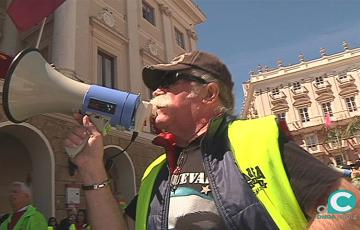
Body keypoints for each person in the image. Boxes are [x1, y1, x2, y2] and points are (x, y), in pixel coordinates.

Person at [65, 51, 360, 229]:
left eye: (168, 83)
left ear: (209, 93)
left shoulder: (255, 140)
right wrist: (93, 169)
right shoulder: (157, 171)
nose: (155, 92)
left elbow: (347, 201)